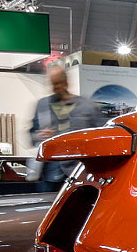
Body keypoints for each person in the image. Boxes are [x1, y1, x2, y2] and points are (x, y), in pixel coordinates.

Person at [27, 64, 106, 195]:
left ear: (66, 82)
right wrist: (38, 136)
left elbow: (100, 135)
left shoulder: (85, 106)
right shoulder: (42, 106)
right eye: (52, 84)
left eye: (58, 83)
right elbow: (31, 136)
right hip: (49, 178)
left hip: (79, 175)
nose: (55, 88)